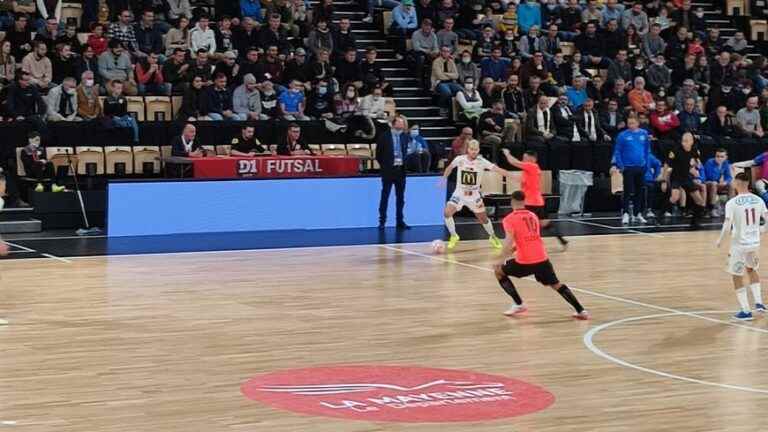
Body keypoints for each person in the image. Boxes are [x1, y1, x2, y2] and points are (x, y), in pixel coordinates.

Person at [494, 190, 589, 319]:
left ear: (512, 201)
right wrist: (514, 249)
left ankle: (519, 304)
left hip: (525, 261)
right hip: (542, 258)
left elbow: (508, 241)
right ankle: (581, 311)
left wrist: (500, 259)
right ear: (524, 201)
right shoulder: (532, 215)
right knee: (556, 284)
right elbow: (532, 236)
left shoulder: (509, 219)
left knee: (499, 271)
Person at [716, 172, 768, 321]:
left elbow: (727, 225)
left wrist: (720, 240)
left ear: (737, 183)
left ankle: (745, 311)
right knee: (752, 269)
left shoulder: (732, 203)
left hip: (739, 245)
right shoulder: (758, 199)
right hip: (754, 243)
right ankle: (759, 302)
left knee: (737, 275)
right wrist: (763, 230)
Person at [441, 139, 507, 250]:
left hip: (474, 195)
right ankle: (454, 235)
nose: (473, 152)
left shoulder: (482, 161)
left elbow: (497, 169)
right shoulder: (460, 159)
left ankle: (493, 236)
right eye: (471, 149)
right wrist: (444, 178)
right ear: (468, 150)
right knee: (447, 213)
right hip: (460, 193)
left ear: (478, 150)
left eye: (476, 150)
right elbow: (449, 167)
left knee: (484, 219)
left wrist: (510, 175)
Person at [502, 149, 568, 249]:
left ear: (532, 159)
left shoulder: (532, 166)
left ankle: (518, 245)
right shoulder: (530, 170)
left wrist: (507, 154)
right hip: (538, 202)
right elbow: (520, 180)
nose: (523, 160)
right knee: (544, 223)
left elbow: (514, 162)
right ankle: (563, 241)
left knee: (521, 223)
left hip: (530, 203)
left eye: (525, 158)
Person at [663, 132, 706, 228]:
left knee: (699, 200)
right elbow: (666, 165)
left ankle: (695, 222)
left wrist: (696, 167)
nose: (684, 143)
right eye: (683, 140)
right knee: (674, 197)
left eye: (686, 141)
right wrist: (664, 181)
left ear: (691, 141)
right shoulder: (675, 150)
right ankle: (660, 217)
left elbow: (698, 163)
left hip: (687, 177)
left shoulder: (695, 150)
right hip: (676, 177)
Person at [613, 116, 651, 225]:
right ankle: (625, 213)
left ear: (638, 123)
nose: (631, 125)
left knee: (640, 191)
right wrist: (621, 166)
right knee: (628, 191)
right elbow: (617, 151)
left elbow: (647, 150)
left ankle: (637, 213)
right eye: (629, 123)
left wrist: (646, 164)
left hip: (641, 166)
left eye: (633, 123)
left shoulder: (644, 134)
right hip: (628, 167)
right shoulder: (622, 135)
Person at [376, 115, 411, 229]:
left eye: (403, 123)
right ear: (393, 124)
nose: (402, 125)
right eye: (400, 123)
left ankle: (400, 221)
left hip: (400, 170)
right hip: (388, 170)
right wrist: (385, 166)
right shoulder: (384, 137)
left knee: (401, 197)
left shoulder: (405, 136)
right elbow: (379, 155)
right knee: (385, 196)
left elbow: (406, 152)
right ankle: (382, 221)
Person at [103, 80, 139, 144]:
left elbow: (124, 111)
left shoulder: (123, 98)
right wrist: (117, 104)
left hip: (122, 117)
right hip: (113, 118)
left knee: (132, 119)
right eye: (118, 88)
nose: (120, 90)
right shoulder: (107, 99)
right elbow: (106, 112)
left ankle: (136, 139)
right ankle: (125, 124)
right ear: (113, 88)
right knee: (117, 121)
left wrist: (125, 117)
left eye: (121, 88)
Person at [703, 149, 733, 217]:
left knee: (731, 185)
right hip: (707, 183)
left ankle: (731, 208)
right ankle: (712, 209)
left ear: (726, 157)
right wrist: (719, 167)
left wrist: (725, 182)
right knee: (714, 183)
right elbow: (710, 176)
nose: (719, 158)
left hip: (718, 183)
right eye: (717, 156)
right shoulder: (710, 162)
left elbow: (729, 177)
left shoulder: (726, 163)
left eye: (722, 157)